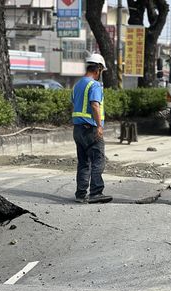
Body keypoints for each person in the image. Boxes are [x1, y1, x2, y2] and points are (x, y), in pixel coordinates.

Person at [71, 54, 112, 204]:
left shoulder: (77, 85)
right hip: (90, 129)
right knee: (98, 160)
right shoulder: (94, 85)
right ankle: (96, 192)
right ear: (98, 69)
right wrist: (99, 126)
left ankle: (81, 194)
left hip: (78, 129)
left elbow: (75, 104)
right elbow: (95, 105)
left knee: (83, 162)